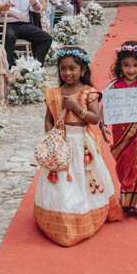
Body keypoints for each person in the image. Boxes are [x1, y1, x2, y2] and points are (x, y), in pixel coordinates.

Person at [34, 46, 122, 246]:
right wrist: (52, 137)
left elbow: (93, 118)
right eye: (63, 69)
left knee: (81, 178)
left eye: (72, 68)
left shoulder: (88, 92)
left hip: (81, 144)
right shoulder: (54, 94)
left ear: (82, 70)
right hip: (60, 144)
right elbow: (48, 119)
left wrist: (76, 108)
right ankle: (60, 218)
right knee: (61, 181)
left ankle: (83, 213)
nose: (67, 73)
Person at [104, 42, 137, 219]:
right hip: (121, 136)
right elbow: (106, 108)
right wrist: (103, 125)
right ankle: (126, 194)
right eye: (126, 65)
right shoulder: (114, 86)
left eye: (135, 65)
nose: (131, 69)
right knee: (123, 167)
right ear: (119, 65)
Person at [0, 0, 53, 67]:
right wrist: (12, 13)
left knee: (46, 38)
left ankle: (35, 66)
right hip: (6, 24)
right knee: (8, 37)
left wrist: (35, 4)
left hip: (24, 24)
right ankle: (8, 68)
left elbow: (38, 9)